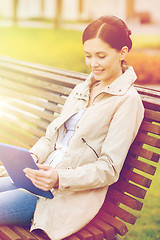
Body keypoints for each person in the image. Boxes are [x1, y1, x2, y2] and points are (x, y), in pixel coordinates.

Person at [0, 15, 144, 240]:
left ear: (123, 52)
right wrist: (33, 155)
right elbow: (52, 136)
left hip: (60, 195)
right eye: (88, 55)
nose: (93, 63)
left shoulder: (127, 101)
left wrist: (58, 178)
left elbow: (109, 168)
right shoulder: (82, 89)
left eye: (101, 56)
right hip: (37, 177)